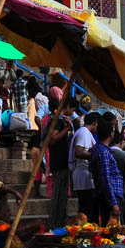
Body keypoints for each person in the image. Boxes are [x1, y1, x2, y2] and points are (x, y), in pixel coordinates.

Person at [88, 119, 125, 226]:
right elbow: (105, 179)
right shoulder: (103, 152)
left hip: (108, 194)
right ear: (110, 134)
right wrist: (113, 203)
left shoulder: (99, 149)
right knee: (114, 230)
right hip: (110, 195)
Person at [45, 97, 73, 230]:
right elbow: (53, 138)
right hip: (59, 164)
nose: (72, 112)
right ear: (67, 107)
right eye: (72, 109)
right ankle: (53, 227)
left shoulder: (59, 119)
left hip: (63, 164)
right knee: (57, 199)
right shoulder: (58, 121)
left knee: (62, 199)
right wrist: (67, 128)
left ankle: (59, 226)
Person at [70, 111, 99, 221]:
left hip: (84, 175)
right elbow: (78, 152)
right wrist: (95, 156)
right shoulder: (84, 133)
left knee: (87, 209)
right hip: (83, 175)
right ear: (95, 123)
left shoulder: (84, 132)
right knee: (87, 211)